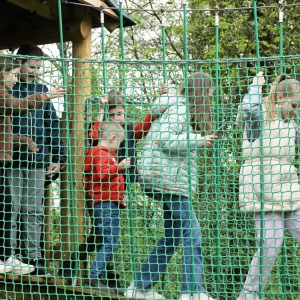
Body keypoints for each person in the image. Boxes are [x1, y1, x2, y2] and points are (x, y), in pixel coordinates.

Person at [125, 72, 218, 300]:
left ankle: (139, 286)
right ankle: (192, 291)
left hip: (166, 178)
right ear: (200, 92)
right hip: (168, 180)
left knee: (173, 235)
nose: (210, 99)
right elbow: (166, 140)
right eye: (209, 94)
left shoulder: (177, 106)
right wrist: (199, 140)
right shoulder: (181, 108)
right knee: (192, 233)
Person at [236, 72, 300, 300]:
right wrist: (256, 85)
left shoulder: (291, 124)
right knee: (272, 243)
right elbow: (249, 108)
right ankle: (249, 294)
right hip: (261, 186)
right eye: (293, 104)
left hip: (288, 187)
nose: (295, 110)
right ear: (280, 97)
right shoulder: (259, 117)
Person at [8, 44, 66, 276]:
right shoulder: (9, 88)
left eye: (38, 67)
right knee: (11, 208)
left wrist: (59, 156)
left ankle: (34, 259)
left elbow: (52, 125)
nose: (35, 71)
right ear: (19, 64)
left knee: (34, 210)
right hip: (12, 160)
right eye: (31, 66)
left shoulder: (42, 89)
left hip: (38, 160)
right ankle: (8, 254)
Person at [0, 56, 52, 274]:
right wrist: (46, 96)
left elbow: (5, 135)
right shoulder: (4, 96)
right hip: (9, 164)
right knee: (7, 209)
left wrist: (27, 142)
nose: (14, 77)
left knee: (10, 208)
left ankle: (12, 257)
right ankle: (5, 256)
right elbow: (19, 105)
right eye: (12, 73)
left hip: (16, 160)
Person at [84, 121, 131, 293]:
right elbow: (103, 173)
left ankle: (99, 278)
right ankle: (94, 277)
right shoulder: (100, 153)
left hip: (109, 203)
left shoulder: (104, 153)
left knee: (109, 241)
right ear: (112, 138)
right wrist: (118, 167)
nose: (118, 147)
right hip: (105, 204)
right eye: (118, 142)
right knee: (110, 241)